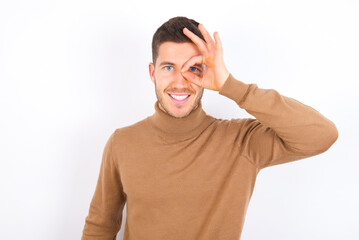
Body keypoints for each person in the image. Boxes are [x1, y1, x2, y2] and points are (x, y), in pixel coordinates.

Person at [81, 16, 338, 240]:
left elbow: (321, 135)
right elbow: (100, 228)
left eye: (193, 68)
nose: (180, 82)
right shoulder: (122, 143)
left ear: (207, 72)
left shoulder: (242, 142)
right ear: (152, 73)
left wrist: (230, 85)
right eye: (169, 67)